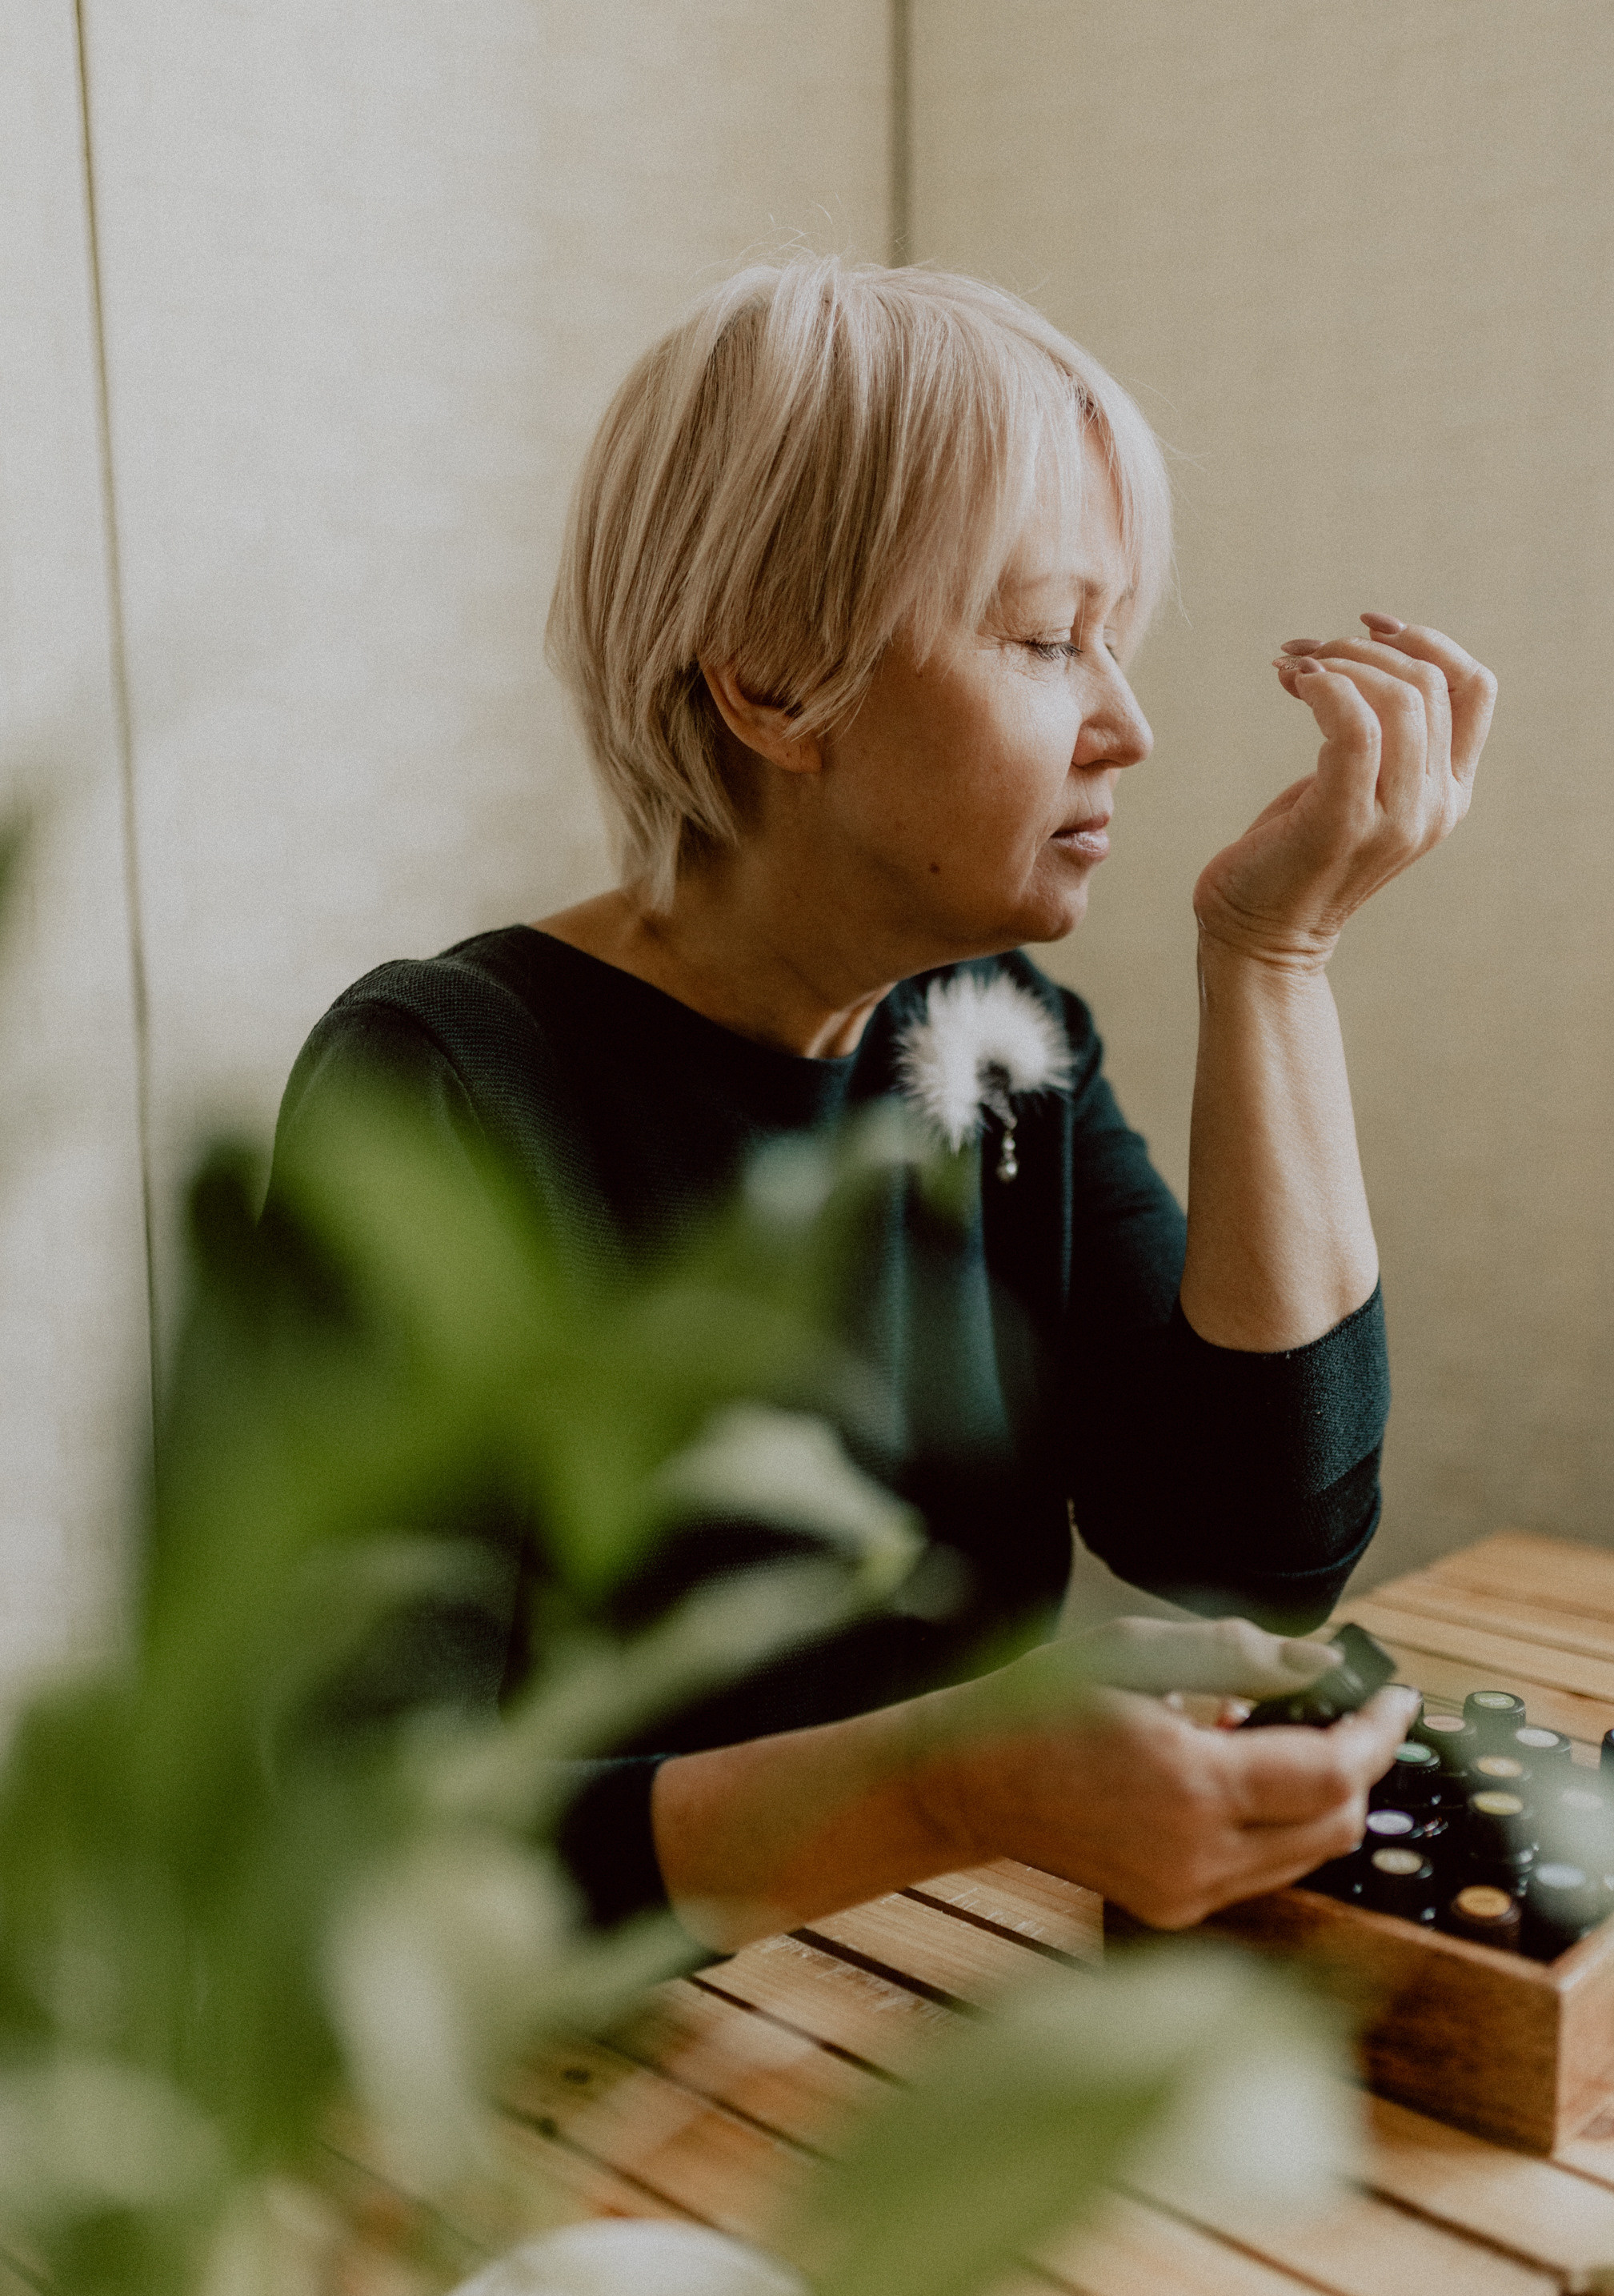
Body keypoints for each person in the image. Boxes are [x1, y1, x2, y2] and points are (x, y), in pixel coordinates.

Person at [270, 256, 1496, 1951]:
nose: (1125, 724)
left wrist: (1269, 958)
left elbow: (1255, 1543)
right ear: (773, 678)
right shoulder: (447, 1089)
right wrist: (953, 1785)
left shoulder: (994, 1048)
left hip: (917, 1998)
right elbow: (367, 1838)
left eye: (1116, 644)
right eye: (1052, 638)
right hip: (566, 2082)